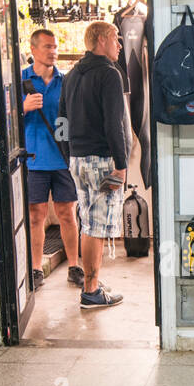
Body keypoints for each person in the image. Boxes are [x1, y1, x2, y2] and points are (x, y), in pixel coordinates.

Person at [61, 21, 129, 310]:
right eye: (116, 38)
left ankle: (92, 284)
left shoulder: (72, 74)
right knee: (96, 227)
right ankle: (90, 291)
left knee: (89, 222)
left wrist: (69, 154)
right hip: (102, 162)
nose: (120, 45)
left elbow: (60, 122)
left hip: (78, 160)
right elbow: (114, 124)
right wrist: (122, 165)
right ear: (101, 40)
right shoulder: (109, 74)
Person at [21, 29, 83, 290]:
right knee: (36, 216)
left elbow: (71, 118)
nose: (53, 51)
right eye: (47, 47)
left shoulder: (66, 80)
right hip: (33, 160)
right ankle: (35, 269)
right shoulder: (21, 79)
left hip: (61, 159)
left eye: (55, 47)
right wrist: (22, 107)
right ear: (33, 50)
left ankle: (74, 266)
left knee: (67, 214)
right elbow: (1, 117)